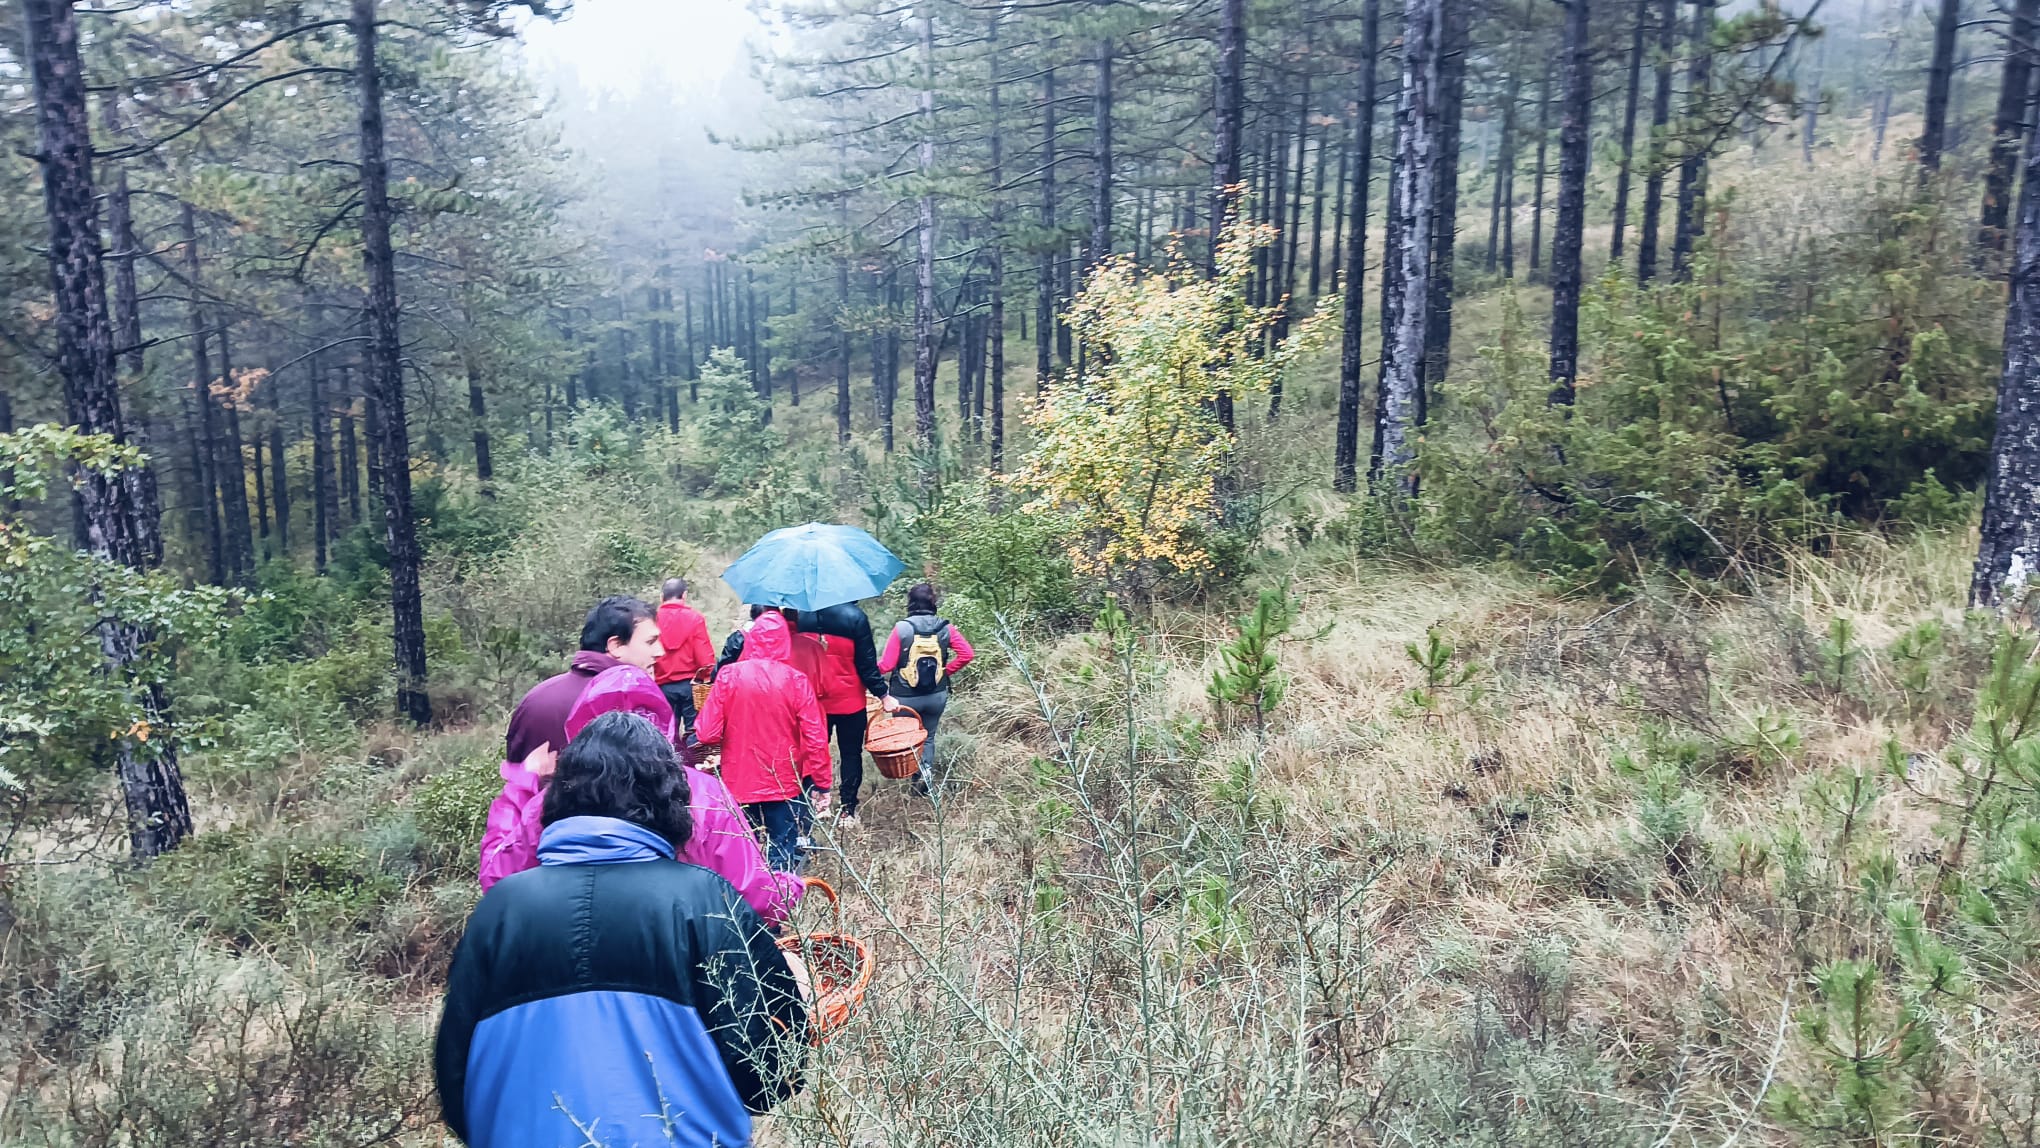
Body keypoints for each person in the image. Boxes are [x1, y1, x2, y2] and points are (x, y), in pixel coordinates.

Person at [436, 712, 808, 1148]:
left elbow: (454, 1072)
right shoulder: (704, 898)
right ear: (669, 799)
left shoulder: (500, 910)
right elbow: (770, 1071)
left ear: (558, 799)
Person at [477, 665, 806, 927]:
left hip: (569, 953)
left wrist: (522, 784)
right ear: (661, 727)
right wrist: (791, 887)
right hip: (681, 954)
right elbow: (754, 896)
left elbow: (498, 879)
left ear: (582, 731)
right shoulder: (703, 793)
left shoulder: (555, 798)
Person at [696, 610, 829, 871]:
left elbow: (706, 733)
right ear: (785, 642)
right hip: (784, 782)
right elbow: (816, 737)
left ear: (752, 639)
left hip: (739, 781)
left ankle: (747, 894)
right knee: (782, 851)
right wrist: (822, 783)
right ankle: (780, 894)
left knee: (743, 853)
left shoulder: (728, 676)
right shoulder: (796, 681)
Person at [503, 596, 663, 774]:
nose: (660, 651)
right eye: (650, 642)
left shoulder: (535, 698)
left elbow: (517, 781)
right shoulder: (632, 702)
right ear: (616, 645)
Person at [799, 602, 898, 828]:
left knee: (813, 751)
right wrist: (883, 694)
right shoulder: (855, 617)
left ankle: (816, 803)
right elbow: (866, 665)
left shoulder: (803, 615)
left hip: (813, 701)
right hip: (849, 701)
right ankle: (847, 811)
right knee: (851, 755)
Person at [879, 583, 974, 789]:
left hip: (904, 697)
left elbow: (886, 665)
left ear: (910, 602)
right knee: (928, 737)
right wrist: (945, 672)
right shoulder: (945, 628)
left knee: (907, 737)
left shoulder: (902, 628)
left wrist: (867, 672)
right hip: (936, 694)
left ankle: (908, 775)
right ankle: (924, 776)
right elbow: (967, 654)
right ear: (933, 602)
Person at [653, 577, 716, 734]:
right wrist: (708, 678)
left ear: (662, 597)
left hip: (662, 686)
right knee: (693, 732)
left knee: (665, 732)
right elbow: (704, 658)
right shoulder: (695, 618)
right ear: (684, 595)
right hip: (691, 687)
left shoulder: (652, 620)